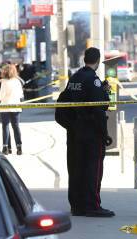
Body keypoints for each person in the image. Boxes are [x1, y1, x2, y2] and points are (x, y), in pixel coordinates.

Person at [57, 47, 114, 217]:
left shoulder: (74, 77)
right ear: (98, 60)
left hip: (75, 132)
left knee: (75, 168)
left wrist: (71, 125)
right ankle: (92, 205)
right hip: (90, 133)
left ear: (84, 59)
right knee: (93, 169)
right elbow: (100, 108)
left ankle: (77, 205)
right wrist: (104, 134)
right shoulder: (93, 80)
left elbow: (63, 102)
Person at [0, 64, 24, 155]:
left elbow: (1, 96)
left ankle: (6, 148)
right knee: (16, 127)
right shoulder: (17, 81)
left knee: (5, 127)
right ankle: (19, 147)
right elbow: (21, 95)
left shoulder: (4, 82)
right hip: (15, 106)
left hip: (5, 107)